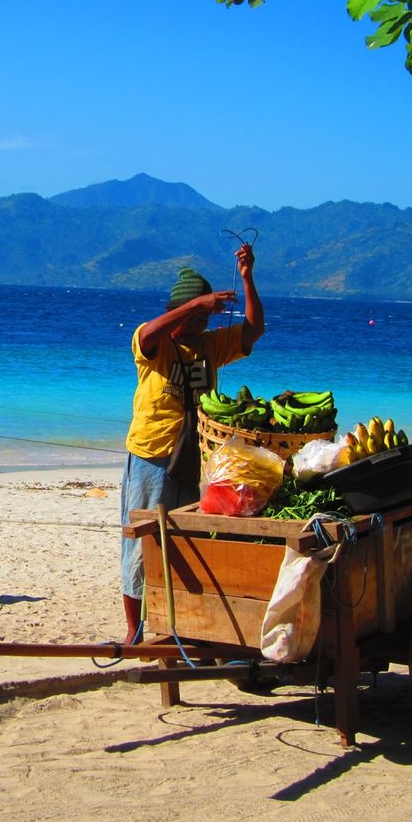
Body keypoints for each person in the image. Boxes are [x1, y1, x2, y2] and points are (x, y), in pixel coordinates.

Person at [119, 243, 265, 643]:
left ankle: (185, 621)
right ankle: (136, 629)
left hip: (198, 456)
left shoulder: (210, 347)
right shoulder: (154, 344)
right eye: (196, 315)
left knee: (191, 539)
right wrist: (198, 302)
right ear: (179, 312)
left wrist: (248, 277)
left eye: (206, 317)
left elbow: (254, 330)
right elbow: (150, 331)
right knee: (142, 543)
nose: (202, 323)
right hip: (153, 457)